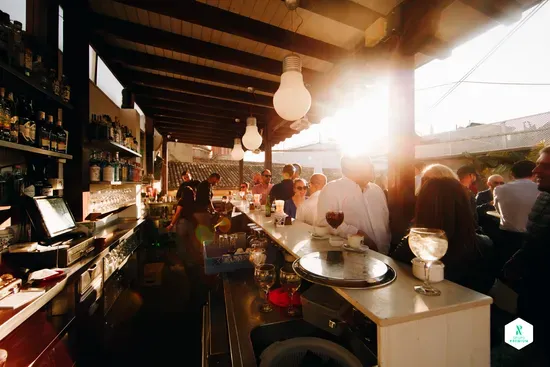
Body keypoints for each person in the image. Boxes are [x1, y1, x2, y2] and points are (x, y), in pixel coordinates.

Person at [389, 178, 495, 294]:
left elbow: (396, 284)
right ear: (465, 205)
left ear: (422, 206)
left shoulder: (411, 247)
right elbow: (486, 287)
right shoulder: (484, 245)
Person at [502, 147, 550, 365]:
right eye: (539, 163)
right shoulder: (543, 196)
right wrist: (518, 260)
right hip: (530, 284)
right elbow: (533, 238)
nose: (536, 169)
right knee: (519, 334)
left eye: (545, 166)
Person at [316, 154, 390, 254]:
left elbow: (385, 222)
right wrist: (356, 234)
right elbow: (324, 222)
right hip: (351, 257)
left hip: (385, 257)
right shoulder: (332, 189)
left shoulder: (377, 190)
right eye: (368, 164)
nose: (373, 167)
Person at [494, 160, 539, 233]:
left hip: (507, 233)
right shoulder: (541, 189)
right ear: (535, 173)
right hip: (534, 234)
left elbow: (498, 209)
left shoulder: (499, 189)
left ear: (512, 174)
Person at [167, 184, 196, 261]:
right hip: (191, 223)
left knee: (181, 243)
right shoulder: (193, 201)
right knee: (190, 243)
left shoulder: (182, 201)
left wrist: (171, 224)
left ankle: (182, 262)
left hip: (183, 223)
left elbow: (177, 213)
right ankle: (191, 260)